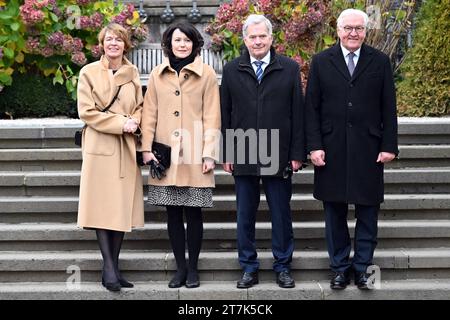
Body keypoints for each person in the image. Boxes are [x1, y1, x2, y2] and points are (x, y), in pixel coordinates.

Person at [305, 8, 398, 290]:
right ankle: (340, 269)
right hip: (330, 150)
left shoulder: (380, 61)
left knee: (368, 214)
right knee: (334, 214)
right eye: (348, 28)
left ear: (365, 32)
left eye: (358, 29)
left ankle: (364, 271)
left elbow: (388, 108)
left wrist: (389, 145)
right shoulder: (321, 61)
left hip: (368, 149)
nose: (353, 33)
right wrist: (314, 146)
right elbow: (312, 108)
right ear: (338, 30)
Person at [220, 14, 306, 289]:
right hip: (243, 149)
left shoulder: (289, 69)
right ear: (245, 39)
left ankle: (283, 266)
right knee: (245, 214)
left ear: (271, 38)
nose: (257, 41)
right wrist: (226, 152)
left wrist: (297, 153)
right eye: (252, 37)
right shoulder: (232, 69)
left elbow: (297, 114)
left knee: (281, 214)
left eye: (262, 36)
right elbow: (225, 114)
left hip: (278, 152)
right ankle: (248, 267)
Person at [140, 22, 221, 289]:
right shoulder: (156, 74)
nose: (182, 44)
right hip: (165, 154)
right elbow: (149, 113)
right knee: (173, 214)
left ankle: (194, 269)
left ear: (195, 43)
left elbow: (212, 116)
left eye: (187, 40)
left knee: (194, 212)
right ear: (169, 43)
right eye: (177, 40)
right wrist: (146, 149)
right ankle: (180, 268)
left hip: (195, 153)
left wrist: (210, 153)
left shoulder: (206, 74)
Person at [77, 23, 144, 292]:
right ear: (102, 44)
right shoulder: (89, 72)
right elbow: (87, 111)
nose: (113, 44)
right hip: (100, 144)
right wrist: (120, 123)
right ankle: (108, 268)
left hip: (125, 146)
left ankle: (114, 267)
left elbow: (141, 105)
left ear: (125, 44)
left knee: (119, 206)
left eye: (118, 40)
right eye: (109, 40)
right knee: (102, 206)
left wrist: (135, 121)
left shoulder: (133, 72)